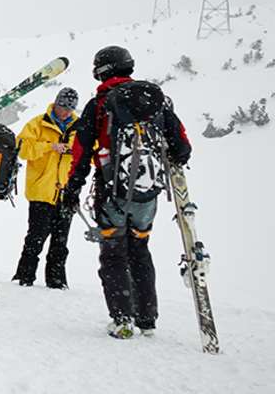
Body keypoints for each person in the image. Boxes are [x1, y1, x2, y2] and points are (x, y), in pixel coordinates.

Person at [61, 45, 191, 339]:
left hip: (112, 193)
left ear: (101, 70)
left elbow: (81, 152)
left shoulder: (100, 104)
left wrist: (73, 188)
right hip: (148, 194)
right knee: (140, 251)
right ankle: (147, 319)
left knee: (113, 255)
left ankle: (122, 319)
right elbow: (182, 146)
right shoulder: (156, 101)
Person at [12, 88, 80, 288]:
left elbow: (89, 152)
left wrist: (72, 150)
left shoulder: (80, 127)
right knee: (35, 238)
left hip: (66, 192)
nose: (66, 112)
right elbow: (22, 149)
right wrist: (50, 146)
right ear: (56, 104)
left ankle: (57, 282)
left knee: (61, 242)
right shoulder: (37, 124)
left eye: (70, 108)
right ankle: (24, 278)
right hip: (41, 191)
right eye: (63, 107)